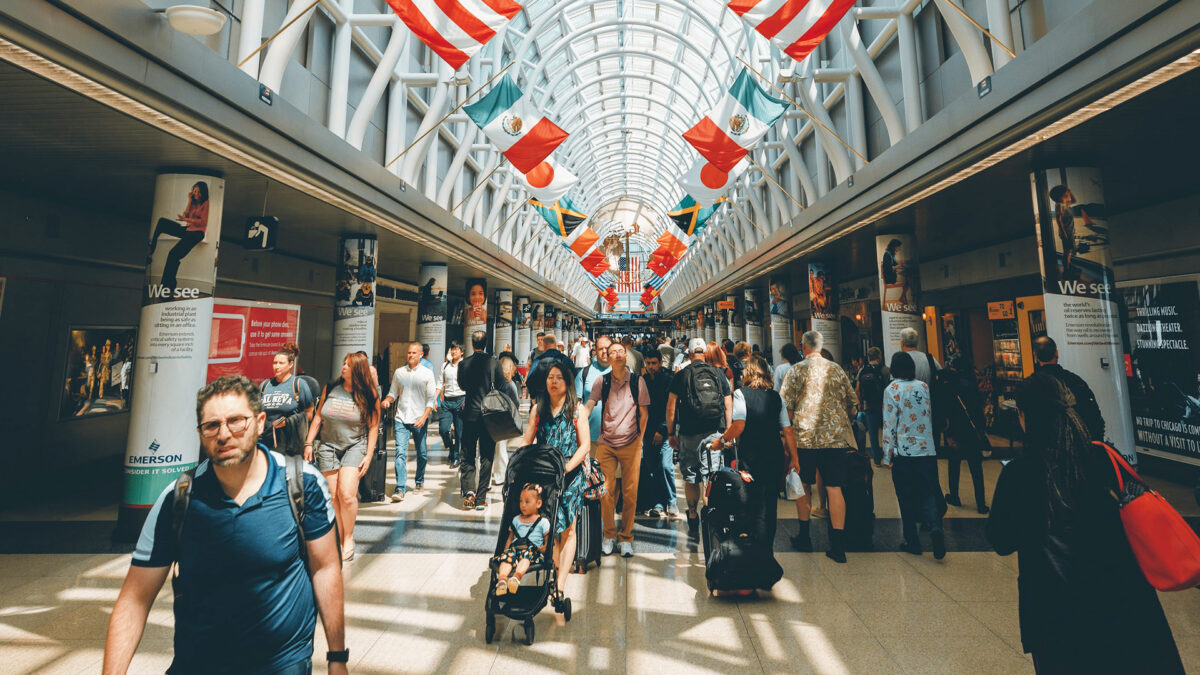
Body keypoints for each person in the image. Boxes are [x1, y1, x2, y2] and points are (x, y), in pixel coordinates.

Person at [104, 375, 346, 674]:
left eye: (236, 421)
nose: (224, 434)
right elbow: (135, 599)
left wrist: (337, 658)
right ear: (200, 433)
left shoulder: (301, 484)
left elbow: (325, 567)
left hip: (281, 665)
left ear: (259, 423)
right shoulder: (179, 498)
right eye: (212, 425)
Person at [987, 371, 1184, 674]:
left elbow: (1000, 540)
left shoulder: (1020, 473)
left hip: (1056, 614)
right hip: (1126, 604)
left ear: (1025, 416)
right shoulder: (1106, 458)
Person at [711, 355, 799, 562]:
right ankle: (767, 551)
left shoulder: (741, 394)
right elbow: (787, 430)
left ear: (747, 373)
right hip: (774, 456)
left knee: (751, 503)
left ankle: (753, 551)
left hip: (751, 457)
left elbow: (739, 424)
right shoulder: (776, 397)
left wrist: (722, 441)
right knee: (770, 506)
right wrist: (794, 459)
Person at [781, 330, 858, 562]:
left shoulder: (796, 370)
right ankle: (838, 545)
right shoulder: (836, 369)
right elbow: (853, 404)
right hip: (835, 438)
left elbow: (787, 408)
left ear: (803, 347)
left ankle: (805, 537)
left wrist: (786, 437)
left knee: (804, 484)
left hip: (804, 438)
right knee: (835, 487)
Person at [520, 363, 590, 602]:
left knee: (568, 529)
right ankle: (554, 572)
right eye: (550, 377)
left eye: (559, 378)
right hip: (544, 476)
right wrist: (518, 465)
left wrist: (567, 468)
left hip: (570, 477)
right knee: (550, 528)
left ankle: (559, 585)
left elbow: (585, 446)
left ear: (567, 383)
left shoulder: (577, 410)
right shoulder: (538, 409)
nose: (553, 382)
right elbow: (527, 440)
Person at [305, 352, 379, 561]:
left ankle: (348, 537)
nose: (343, 367)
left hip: (355, 445)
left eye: (348, 365)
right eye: (343, 364)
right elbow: (318, 416)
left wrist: (369, 454)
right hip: (328, 445)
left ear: (357, 369)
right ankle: (337, 536)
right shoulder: (331, 387)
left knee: (346, 494)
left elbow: (373, 427)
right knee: (332, 495)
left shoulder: (370, 394)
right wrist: (309, 442)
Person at [585, 341, 649, 558]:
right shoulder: (601, 381)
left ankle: (626, 538)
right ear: (609, 359)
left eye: (621, 351)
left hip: (631, 444)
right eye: (614, 352)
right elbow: (589, 405)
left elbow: (644, 413)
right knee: (606, 491)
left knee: (630, 494)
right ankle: (609, 534)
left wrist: (639, 440)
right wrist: (578, 421)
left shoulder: (637, 382)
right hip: (606, 444)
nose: (618, 355)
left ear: (626, 355)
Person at [666, 337, 733, 540]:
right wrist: (728, 432)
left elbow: (671, 407)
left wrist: (671, 433)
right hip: (714, 432)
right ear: (704, 352)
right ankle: (711, 516)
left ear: (688, 353)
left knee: (691, 477)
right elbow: (728, 403)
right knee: (710, 476)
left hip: (688, 433)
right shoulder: (718, 373)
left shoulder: (682, 374)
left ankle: (693, 516)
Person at [882, 352, 945, 559]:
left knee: (905, 496)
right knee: (927, 492)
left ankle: (913, 541)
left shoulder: (892, 389)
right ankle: (935, 525)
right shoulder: (923, 387)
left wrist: (887, 455)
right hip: (926, 448)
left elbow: (890, 424)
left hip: (904, 452)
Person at [381, 342, 436, 502]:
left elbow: (431, 399)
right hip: (401, 418)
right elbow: (393, 393)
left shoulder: (427, 373)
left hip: (419, 419)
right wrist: (387, 400)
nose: (410, 355)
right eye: (409, 353)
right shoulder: (399, 373)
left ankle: (419, 481)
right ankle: (400, 488)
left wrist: (424, 417)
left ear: (420, 355)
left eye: (413, 353)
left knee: (422, 453)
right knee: (400, 453)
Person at [458, 330, 506, 510]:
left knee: (468, 454)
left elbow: (462, 386)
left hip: (470, 415)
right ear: (486, 344)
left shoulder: (464, 364)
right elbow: (502, 386)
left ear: (472, 344)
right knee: (486, 455)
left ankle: (469, 490)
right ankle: (481, 498)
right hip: (489, 416)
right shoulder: (493, 363)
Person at [1028, 336, 1104, 441]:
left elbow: (1030, 427)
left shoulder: (1028, 386)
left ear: (1035, 357)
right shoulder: (1076, 381)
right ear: (1056, 353)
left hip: (1046, 452)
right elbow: (1095, 418)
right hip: (1082, 448)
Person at [942, 355, 990, 513]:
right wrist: (981, 429)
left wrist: (947, 434)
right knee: (976, 469)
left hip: (957, 430)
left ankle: (954, 496)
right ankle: (981, 504)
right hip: (973, 430)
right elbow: (979, 409)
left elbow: (948, 410)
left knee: (954, 465)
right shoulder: (973, 384)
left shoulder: (952, 385)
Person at [147, 181, 209, 295]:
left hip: (197, 233)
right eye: (195, 191)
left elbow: (202, 222)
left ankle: (167, 288)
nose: (197, 194)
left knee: (173, 255)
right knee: (162, 222)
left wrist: (186, 220)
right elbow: (185, 215)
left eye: (199, 192)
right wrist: (189, 201)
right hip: (188, 230)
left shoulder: (206, 203)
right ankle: (151, 249)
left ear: (203, 193)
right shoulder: (194, 203)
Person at [493, 483, 551, 596]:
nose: (523, 505)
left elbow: (547, 539)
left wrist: (545, 547)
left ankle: (516, 578)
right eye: (521, 501)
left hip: (532, 551)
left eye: (527, 502)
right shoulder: (516, 520)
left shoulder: (543, 522)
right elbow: (510, 538)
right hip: (515, 549)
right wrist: (505, 550)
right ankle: (502, 580)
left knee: (526, 558)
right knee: (506, 559)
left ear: (538, 504)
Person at [639, 351, 677, 518]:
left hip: (666, 432)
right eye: (648, 363)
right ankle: (658, 503)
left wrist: (662, 430)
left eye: (654, 363)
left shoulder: (668, 380)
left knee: (665, 465)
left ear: (660, 363)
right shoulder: (643, 381)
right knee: (652, 469)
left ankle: (672, 501)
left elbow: (670, 408)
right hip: (647, 432)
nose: (651, 367)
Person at [259, 344, 316, 454]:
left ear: (290, 364)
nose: (277, 366)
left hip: (289, 443)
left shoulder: (299, 385)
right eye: (275, 363)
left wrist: (288, 422)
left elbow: (309, 413)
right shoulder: (265, 385)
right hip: (265, 441)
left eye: (281, 363)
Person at [855, 347, 890, 466]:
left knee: (873, 434)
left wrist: (860, 403)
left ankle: (876, 460)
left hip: (869, 406)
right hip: (884, 406)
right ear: (879, 356)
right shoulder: (885, 370)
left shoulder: (863, 370)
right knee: (887, 432)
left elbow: (858, 389)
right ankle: (888, 458)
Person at [575, 335, 613, 443]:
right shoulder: (584, 374)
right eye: (601, 349)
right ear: (595, 350)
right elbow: (576, 405)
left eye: (607, 348)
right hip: (590, 439)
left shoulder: (625, 373)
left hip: (618, 442)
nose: (604, 351)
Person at [492, 352, 522, 486]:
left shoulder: (493, 383)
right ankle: (501, 476)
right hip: (504, 420)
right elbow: (516, 403)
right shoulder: (511, 385)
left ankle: (487, 476)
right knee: (501, 448)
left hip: (491, 418)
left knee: (487, 449)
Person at [438, 342, 466, 468]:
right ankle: (451, 446)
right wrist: (435, 399)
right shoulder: (444, 366)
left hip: (461, 400)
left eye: (456, 349)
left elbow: (470, 385)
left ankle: (456, 457)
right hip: (447, 401)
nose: (454, 352)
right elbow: (440, 383)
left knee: (460, 432)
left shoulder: (465, 366)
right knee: (443, 429)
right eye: (452, 349)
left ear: (462, 352)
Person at [527, 333, 574, 400]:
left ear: (544, 345)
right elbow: (574, 378)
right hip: (562, 400)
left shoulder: (538, 361)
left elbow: (529, 381)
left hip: (542, 401)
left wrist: (533, 396)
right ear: (555, 345)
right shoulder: (566, 360)